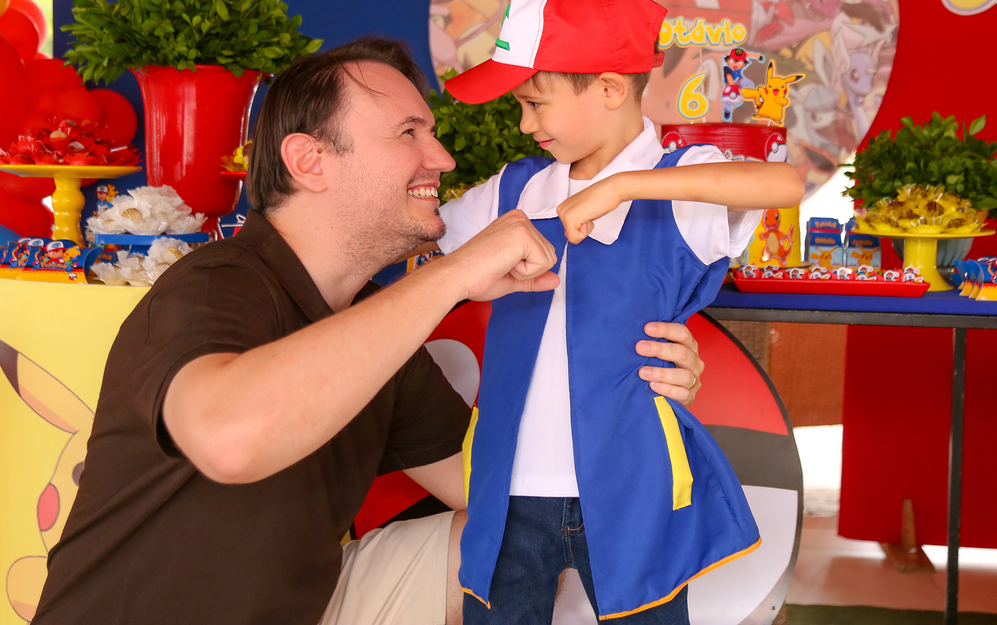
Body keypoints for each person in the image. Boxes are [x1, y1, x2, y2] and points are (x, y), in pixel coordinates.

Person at [32, 37, 708, 625]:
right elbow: (228, 442)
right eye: (408, 133)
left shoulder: (377, 324)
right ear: (309, 161)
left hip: (308, 605)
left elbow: (508, 488)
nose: (441, 158)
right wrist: (452, 275)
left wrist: (632, 391)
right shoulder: (217, 281)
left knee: (514, 538)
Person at [438, 0, 806, 625]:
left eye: (535, 103)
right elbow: (426, 241)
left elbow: (781, 184)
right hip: (507, 484)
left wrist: (621, 187)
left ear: (610, 88)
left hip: (634, 479)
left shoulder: (679, 182)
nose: (524, 123)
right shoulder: (516, 188)